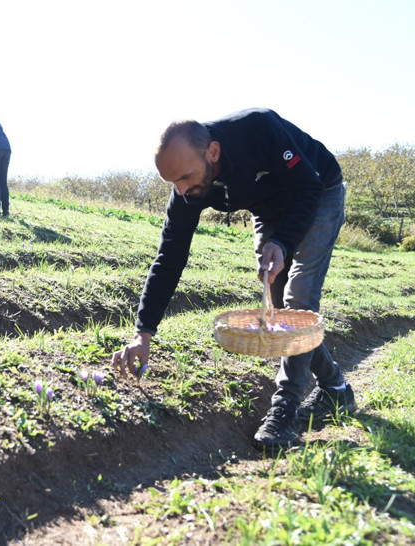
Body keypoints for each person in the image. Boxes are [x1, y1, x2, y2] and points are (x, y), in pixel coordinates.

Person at [110, 108, 356, 453]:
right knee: (278, 307)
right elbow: (169, 258)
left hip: (318, 191)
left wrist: (282, 242)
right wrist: (143, 332)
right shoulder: (186, 189)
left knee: (299, 299)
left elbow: (307, 188)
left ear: (213, 152)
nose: (180, 191)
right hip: (269, 209)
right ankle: (335, 389)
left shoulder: (258, 128)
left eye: (184, 177)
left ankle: (285, 408)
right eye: (172, 183)